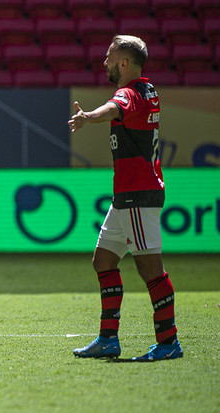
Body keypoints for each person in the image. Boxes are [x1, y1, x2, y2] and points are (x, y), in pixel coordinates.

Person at [68, 35, 182, 362]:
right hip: (127, 196)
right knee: (103, 261)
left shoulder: (129, 93)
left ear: (124, 63)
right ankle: (108, 339)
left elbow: (114, 107)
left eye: (109, 57)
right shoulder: (147, 91)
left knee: (152, 270)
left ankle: (168, 341)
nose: (104, 62)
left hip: (137, 194)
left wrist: (89, 116)